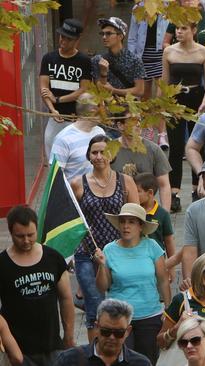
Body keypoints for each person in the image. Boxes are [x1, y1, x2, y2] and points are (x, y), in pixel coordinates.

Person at [70, 134, 139, 342]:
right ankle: (95, 356)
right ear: (89, 156)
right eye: (95, 152)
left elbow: (136, 216)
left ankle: (121, 350)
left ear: (112, 154)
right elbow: (72, 223)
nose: (99, 156)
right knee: (95, 307)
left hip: (119, 251)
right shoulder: (78, 184)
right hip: (88, 254)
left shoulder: (125, 181)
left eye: (104, 151)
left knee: (122, 304)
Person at [95, 203, 171, 364]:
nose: (126, 226)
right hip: (119, 318)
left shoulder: (152, 247)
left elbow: (163, 281)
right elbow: (102, 286)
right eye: (122, 221)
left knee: (147, 360)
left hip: (150, 315)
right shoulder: (109, 249)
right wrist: (101, 265)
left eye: (131, 222)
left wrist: (169, 312)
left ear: (140, 226)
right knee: (120, 361)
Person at [0, 206, 75, 366]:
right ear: (10, 232)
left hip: (52, 346)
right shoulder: (2, 264)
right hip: (18, 351)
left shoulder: (53, 258)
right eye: (20, 236)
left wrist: (68, 334)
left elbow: (66, 298)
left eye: (31, 235)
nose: (26, 240)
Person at [161, 20, 205, 210]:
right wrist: (161, 106)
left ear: (193, 30)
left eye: (183, 28)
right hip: (174, 100)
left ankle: (195, 189)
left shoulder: (203, 52)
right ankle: (174, 193)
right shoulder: (169, 52)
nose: (179, 32)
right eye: (177, 29)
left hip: (197, 99)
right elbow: (164, 82)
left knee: (197, 146)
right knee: (175, 147)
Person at [39, 18, 91, 161]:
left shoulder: (84, 61)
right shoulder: (48, 58)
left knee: (77, 158)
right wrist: (52, 109)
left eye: (69, 39)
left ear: (77, 40)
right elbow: (43, 88)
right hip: (54, 118)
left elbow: (83, 90)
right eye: (62, 36)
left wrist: (57, 100)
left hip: (76, 118)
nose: (63, 41)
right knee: (52, 158)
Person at [52, 299, 152, 366]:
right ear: (96, 327)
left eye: (118, 333)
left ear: (127, 331)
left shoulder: (140, 363)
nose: (112, 337)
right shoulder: (69, 360)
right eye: (106, 331)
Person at [110, 114, 172, 211]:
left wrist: (165, 215)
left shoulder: (153, 149)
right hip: (118, 209)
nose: (138, 124)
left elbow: (164, 185)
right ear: (120, 125)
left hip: (147, 210)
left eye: (139, 120)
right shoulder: (109, 150)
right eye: (132, 121)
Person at [49, 93, 104, 179]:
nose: (106, 112)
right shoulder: (64, 139)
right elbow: (54, 177)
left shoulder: (100, 132)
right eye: (103, 107)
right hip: (74, 192)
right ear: (93, 111)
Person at [92, 17, 145, 98]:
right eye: (103, 34)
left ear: (120, 36)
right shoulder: (97, 60)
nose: (104, 37)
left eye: (108, 33)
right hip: (106, 106)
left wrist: (114, 90)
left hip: (129, 106)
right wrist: (103, 73)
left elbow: (140, 91)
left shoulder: (135, 60)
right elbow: (101, 91)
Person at [134, 173, 175, 259]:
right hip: (137, 258)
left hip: (157, 260)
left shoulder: (163, 214)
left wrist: (171, 267)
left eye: (137, 191)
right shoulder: (133, 211)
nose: (133, 194)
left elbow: (169, 241)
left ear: (150, 193)